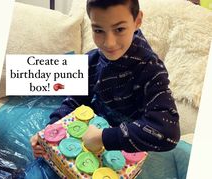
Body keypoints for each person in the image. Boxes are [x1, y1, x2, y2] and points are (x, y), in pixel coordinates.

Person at [31, 0, 180, 158]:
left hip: (126, 154)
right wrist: (49, 133)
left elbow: (167, 132)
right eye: (99, 30)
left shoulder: (151, 69)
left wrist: (103, 137)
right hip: (85, 145)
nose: (109, 43)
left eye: (120, 29)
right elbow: (73, 101)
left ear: (137, 21)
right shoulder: (91, 60)